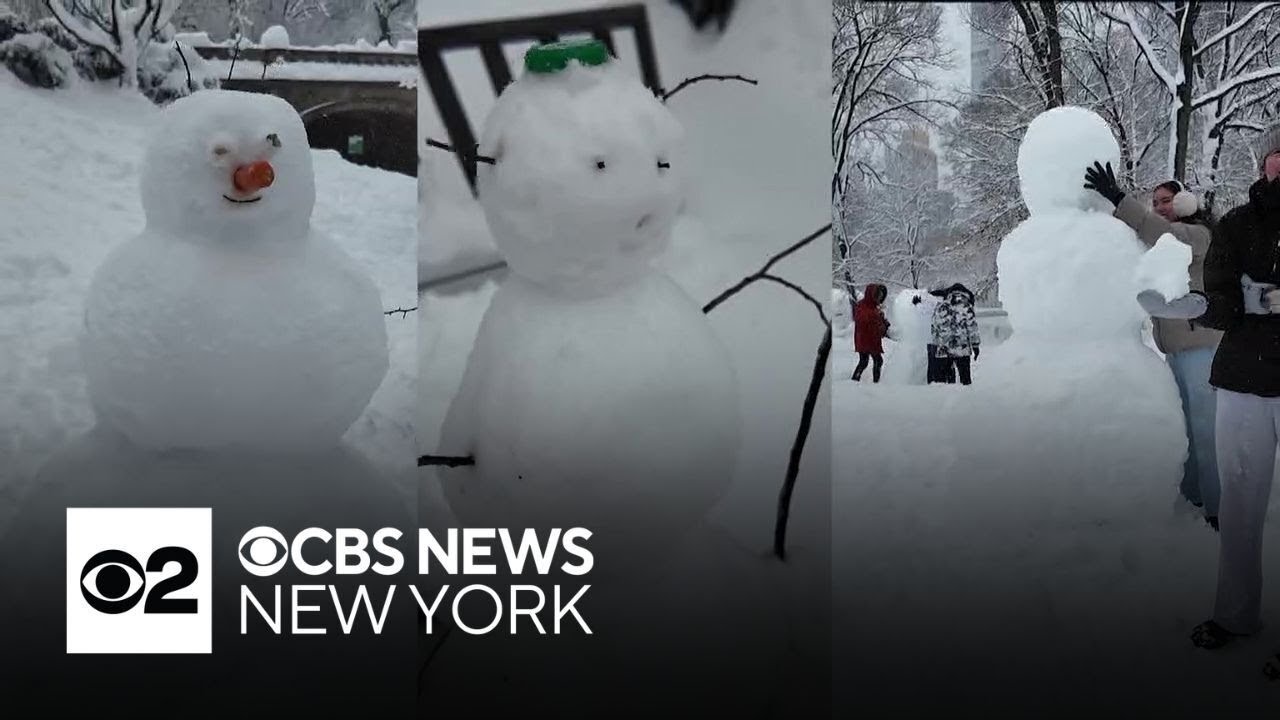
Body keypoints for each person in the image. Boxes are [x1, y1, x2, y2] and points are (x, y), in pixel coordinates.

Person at [1182, 128, 1280, 677]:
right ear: (1263, 164)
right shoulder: (1237, 225)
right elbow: (1223, 297)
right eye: (1276, 155)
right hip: (1244, 376)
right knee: (1240, 503)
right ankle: (1235, 614)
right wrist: (1199, 306)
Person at [1084, 162, 1223, 530]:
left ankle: (1218, 507)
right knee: (1187, 430)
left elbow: (1162, 234)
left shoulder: (1198, 234)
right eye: (1156, 201)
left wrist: (1118, 198)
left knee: (1206, 431)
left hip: (1201, 348)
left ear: (1185, 201)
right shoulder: (1167, 238)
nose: (1160, 206)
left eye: (1167, 200)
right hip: (1176, 351)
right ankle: (1193, 497)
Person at [929, 284, 980, 385]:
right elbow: (972, 327)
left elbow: (934, 326)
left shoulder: (941, 306)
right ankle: (966, 393)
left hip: (944, 348)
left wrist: (936, 344)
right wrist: (975, 345)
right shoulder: (967, 306)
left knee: (946, 382)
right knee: (965, 380)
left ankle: (948, 393)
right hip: (962, 349)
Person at [853, 283, 890, 383]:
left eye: (881, 296)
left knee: (866, 362)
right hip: (866, 340)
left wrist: (883, 321)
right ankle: (873, 383)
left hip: (868, 339)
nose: (880, 298)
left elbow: (876, 322)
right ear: (873, 295)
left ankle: (856, 379)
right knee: (875, 361)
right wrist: (881, 324)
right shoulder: (865, 307)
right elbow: (866, 322)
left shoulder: (871, 307)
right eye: (878, 296)